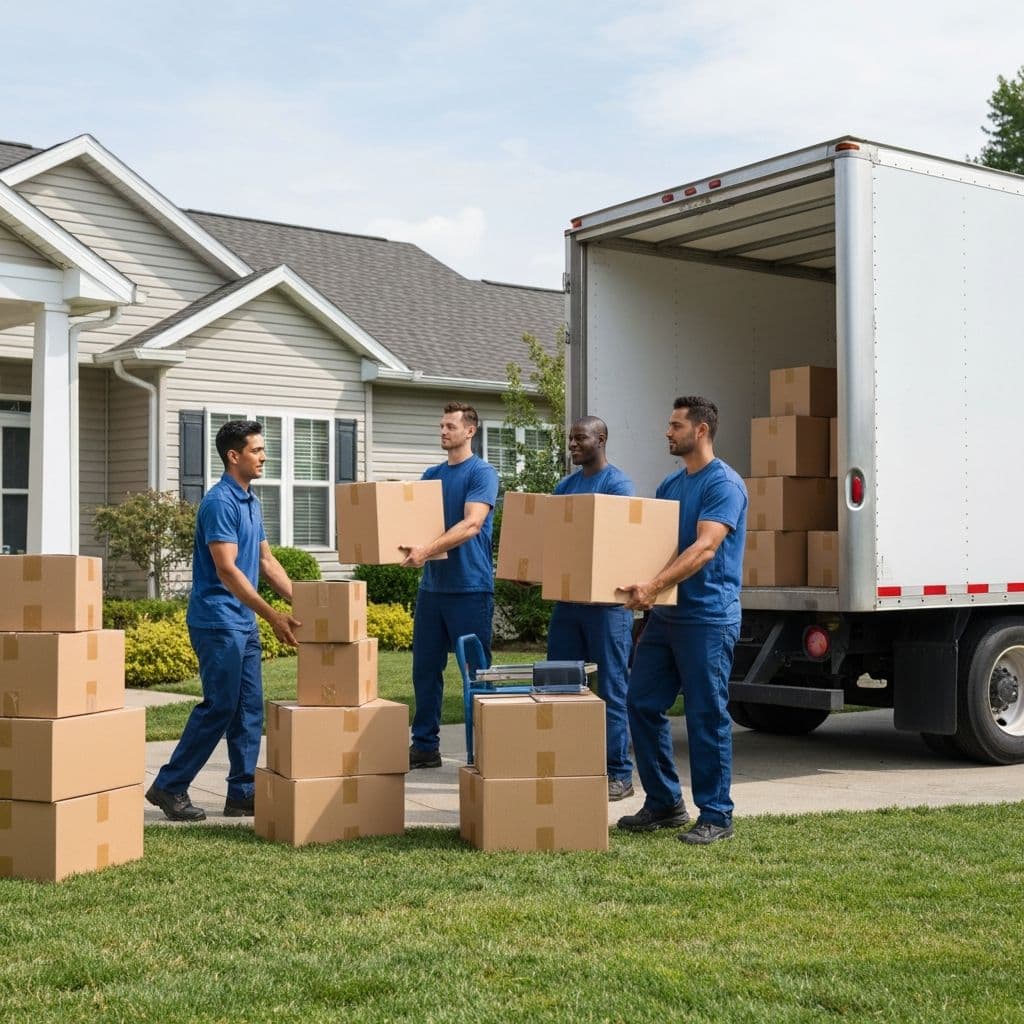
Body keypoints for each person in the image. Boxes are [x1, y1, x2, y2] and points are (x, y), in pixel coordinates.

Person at [146, 420, 300, 822]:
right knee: (221, 706)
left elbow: (267, 562)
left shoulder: (251, 501)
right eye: (257, 450)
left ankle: (242, 793)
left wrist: (310, 603)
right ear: (234, 456)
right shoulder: (220, 503)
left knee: (250, 708)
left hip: (243, 622)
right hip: (217, 621)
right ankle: (170, 785)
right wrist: (273, 616)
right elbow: (228, 571)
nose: (264, 456)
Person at [617, 396, 747, 845]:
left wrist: (652, 586)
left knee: (706, 714)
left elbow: (705, 547)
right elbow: (658, 549)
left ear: (701, 431)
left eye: (675, 426)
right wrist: (638, 587)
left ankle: (716, 814)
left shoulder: (723, 485)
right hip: (668, 617)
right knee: (641, 701)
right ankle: (665, 802)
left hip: (709, 618)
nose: (667, 433)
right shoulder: (670, 486)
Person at [400, 402, 499, 769]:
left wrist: (426, 549)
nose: (443, 431)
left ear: (470, 430)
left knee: (476, 672)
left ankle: (487, 748)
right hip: (433, 590)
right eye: (441, 426)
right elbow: (416, 522)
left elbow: (472, 524)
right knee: (425, 669)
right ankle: (425, 746)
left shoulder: (482, 473)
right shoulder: (431, 474)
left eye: (450, 426)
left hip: (470, 589)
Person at [546, 416, 637, 800]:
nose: (572, 445)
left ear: (601, 439)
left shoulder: (617, 485)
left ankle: (619, 773)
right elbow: (552, 542)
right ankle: (570, 764)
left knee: (612, 688)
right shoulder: (564, 488)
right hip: (568, 605)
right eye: (570, 439)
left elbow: (617, 540)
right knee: (558, 684)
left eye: (580, 438)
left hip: (607, 607)